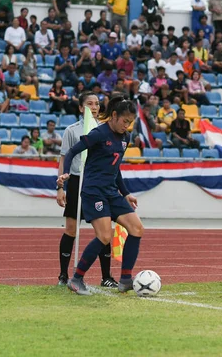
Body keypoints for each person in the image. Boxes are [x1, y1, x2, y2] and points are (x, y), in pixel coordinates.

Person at [57, 96, 143, 295]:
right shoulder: (98, 134)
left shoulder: (125, 138)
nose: (127, 126)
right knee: (104, 236)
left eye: (130, 123)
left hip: (112, 192)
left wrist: (126, 193)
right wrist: (65, 174)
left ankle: (125, 279)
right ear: (114, 116)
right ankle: (76, 278)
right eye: (125, 121)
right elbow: (71, 152)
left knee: (137, 228)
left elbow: (116, 167)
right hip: (93, 192)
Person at [55, 92, 118, 288]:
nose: (94, 107)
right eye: (89, 103)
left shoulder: (106, 130)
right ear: (81, 108)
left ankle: (106, 276)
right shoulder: (72, 131)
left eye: (97, 103)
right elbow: (64, 158)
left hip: (98, 184)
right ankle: (63, 275)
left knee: (104, 231)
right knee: (71, 230)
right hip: (75, 182)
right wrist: (60, 187)